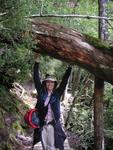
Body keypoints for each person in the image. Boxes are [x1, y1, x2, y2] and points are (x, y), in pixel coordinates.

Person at [32, 53, 72, 150]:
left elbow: (64, 81)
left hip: (53, 124)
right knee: (45, 146)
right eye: (48, 82)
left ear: (54, 84)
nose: (50, 83)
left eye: (52, 82)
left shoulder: (57, 93)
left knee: (53, 146)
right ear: (45, 83)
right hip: (42, 124)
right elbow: (36, 78)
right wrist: (37, 63)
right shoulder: (41, 92)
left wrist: (69, 68)